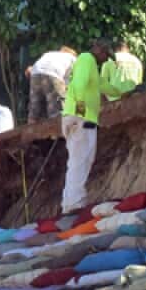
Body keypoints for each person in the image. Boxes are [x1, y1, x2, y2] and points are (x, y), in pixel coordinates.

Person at [60, 39, 113, 214]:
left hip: (75, 117)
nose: (106, 60)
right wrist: (81, 110)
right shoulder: (86, 59)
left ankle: (69, 203)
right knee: (81, 161)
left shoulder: (90, 67)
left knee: (77, 161)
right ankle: (75, 204)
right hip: (82, 119)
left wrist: (127, 88)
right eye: (106, 55)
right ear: (99, 50)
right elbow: (78, 85)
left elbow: (105, 87)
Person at [26, 46, 77, 123]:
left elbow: (31, 69)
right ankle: (57, 131)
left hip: (35, 74)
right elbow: (68, 84)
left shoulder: (50, 53)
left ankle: (31, 127)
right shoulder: (73, 59)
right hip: (53, 74)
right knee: (56, 109)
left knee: (35, 108)